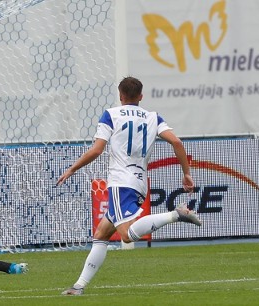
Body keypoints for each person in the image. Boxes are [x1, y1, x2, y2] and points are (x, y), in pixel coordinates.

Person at [56, 76, 202, 295]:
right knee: (102, 234)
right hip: (139, 183)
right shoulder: (153, 117)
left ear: (120, 96)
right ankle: (78, 286)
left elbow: (97, 150)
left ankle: (176, 214)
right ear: (141, 97)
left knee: (126, 235)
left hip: (120, 182)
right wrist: (186, 174)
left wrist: (71, 169)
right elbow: (177, 142)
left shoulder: (111, 114)